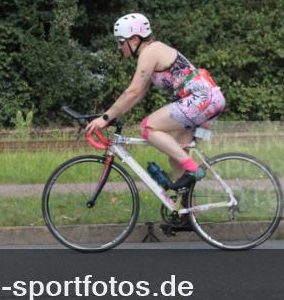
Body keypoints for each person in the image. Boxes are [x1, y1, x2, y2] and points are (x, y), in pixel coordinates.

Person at [84, 13, 225, 189]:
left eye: (121, 41)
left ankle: (195, 170)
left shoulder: (150, 52)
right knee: (177, 155)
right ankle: (185, 211)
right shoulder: (153, 52)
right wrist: (112, 116)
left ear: (135, 39)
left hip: (201, 100)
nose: (119, 47)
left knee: (148, 127)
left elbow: (132, 91)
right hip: (209, 101)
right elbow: (138, 94)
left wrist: (103, 118)